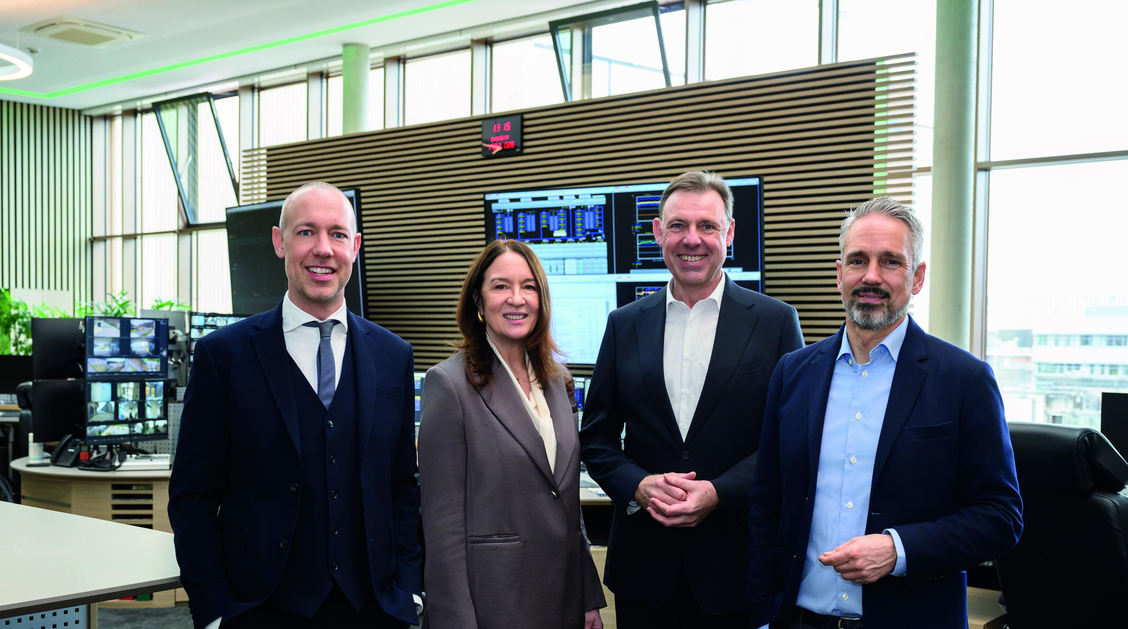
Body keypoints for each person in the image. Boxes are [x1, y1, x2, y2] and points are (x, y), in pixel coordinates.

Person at [746, 197, 1023, 629]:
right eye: (858, 260)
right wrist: (762, 614)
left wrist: (898, 550)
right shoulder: (793, 373)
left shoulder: (964, 380)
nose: (871, 276)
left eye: (890, 261)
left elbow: (1001, 517)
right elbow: (766, 505)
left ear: (917, 277)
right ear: (839, 274)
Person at [168, 182, 423, 629]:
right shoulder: (223, 355)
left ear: (355, 247)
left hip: (374, 610)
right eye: (306, 232)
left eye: (338, 235)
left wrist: (409, 589)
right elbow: (193, 496)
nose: (323, 249)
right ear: (279, 241)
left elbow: (401, 485)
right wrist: (213, 609)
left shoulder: (393, 354)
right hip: (258, 608)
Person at [580, 171, 804, 628]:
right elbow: (597, 438)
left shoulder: (776, 322)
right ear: (659, 232)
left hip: (736, 570)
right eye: (678, 225)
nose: (692, 240)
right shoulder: (624, 325)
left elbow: (792, 440)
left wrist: (720, 493)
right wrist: (639, 487)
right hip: (644, 573)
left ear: (730, 234)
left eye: (707, 226)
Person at [418, 240, 606, 629]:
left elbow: (567, 502)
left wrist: (588, 596)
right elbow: (443, 528)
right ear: (478, 300)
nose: (517, 299)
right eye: (501, 286)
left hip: (565, 599)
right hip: (497, 604)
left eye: (529, 286)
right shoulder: (449, 385)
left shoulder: (559, 381)